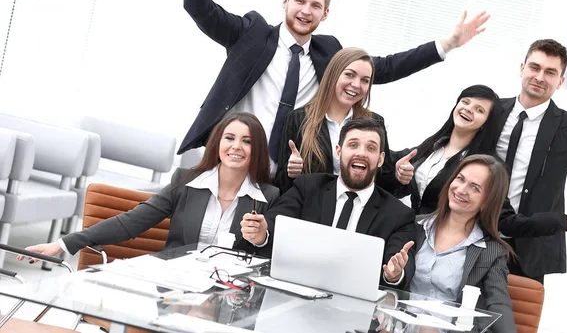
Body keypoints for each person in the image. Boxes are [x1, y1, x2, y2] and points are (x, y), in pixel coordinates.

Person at [177, 0, 491, 160]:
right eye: (300, 1)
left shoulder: (329, 52)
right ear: (285, 2)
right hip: (230, 153)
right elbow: (201, 9)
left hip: (287, 167)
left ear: (325, 14)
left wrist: (448, 43)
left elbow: (383, 67)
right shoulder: (252, 33)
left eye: (315, 5)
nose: (305, 11)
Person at [18, 113, 280, 260]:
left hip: (228, 296)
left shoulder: (268, 197)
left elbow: (271, 256)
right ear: (217, 143)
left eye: (246, 141)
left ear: (256, 150)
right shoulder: (186, 182)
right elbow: (131, 222)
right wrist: (65, 244)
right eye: (229, 138)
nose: (236, 146)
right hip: (176, 286)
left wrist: (261, 239)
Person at [240, 117, 416, 285]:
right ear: (339, 152)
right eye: (353, 145)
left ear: (381, 159)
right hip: (296, 293)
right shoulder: (307, 187)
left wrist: (394, 275)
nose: (361, 153)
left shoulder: (399, 215)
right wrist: (261, 234)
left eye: (371, 148)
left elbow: (399, 264)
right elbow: (273, 224)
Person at [488, 38, 567, 283]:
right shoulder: (492, 111)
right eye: (534, 67)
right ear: (522, 68)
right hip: (476, 234)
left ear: (560, 82)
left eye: (550, 72)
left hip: (528, 250)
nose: (540, 77)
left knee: (514, 320)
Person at [393, 154, 517, 333]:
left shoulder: (491, 251)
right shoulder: (414, 226)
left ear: (487, 202)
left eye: (475, 188)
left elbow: (499, 303)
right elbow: (389, 284)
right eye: (460, 179)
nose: (461, 189)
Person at [274, 47, 404, 195]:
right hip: (310, 209)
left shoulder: (375, 122)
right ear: (333, 75)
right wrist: (291, 173)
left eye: (365, 80)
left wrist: (398, 176)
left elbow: (382, 183)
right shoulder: (298, 119)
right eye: (349, 75)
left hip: (355, 212)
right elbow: (281, 183)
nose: (356, 85)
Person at [392, 85, 501, 213]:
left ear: (486, 123)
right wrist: (400, 176)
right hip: (412, 224)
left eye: (479, 110)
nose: (468, 109)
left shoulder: (483, 165)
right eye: (465, 102)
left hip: (445, 229)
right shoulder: (433, 144)